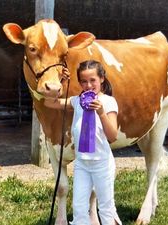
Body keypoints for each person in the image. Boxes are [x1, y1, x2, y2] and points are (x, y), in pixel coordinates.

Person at [44, 60, 122, 225]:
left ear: (101, 79)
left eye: (93, 80)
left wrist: (101, 112)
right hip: (82, 164)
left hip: (102, 164)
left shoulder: (108, 102)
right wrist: (60, 81)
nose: (88, 85)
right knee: (79, 209)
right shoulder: (76, 101)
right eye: (84, 81)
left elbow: (113, 136)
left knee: (107, 209)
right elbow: (49, 102)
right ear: (79, 82)